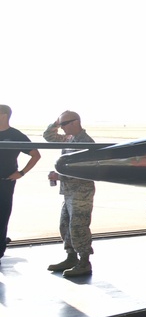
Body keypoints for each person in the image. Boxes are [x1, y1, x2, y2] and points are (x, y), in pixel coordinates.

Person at [43, 111, 96, 277]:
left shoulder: (85, 142)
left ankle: (84, 262)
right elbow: (48, 135)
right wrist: (57, 122)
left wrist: (59, 176)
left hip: (81, 192)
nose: (62, 128)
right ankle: (71, 257)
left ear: (75, 122)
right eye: (61, 125)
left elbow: (85, 169)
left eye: (64, 124)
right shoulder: (69, 138)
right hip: (69, 191)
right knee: (65, 225)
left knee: (78, 227)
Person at [0, 105, 41, 261]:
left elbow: (36, 155)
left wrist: (21, 173)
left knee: (2, 215)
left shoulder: (15, 135)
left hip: (5, 182)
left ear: (4, 115)